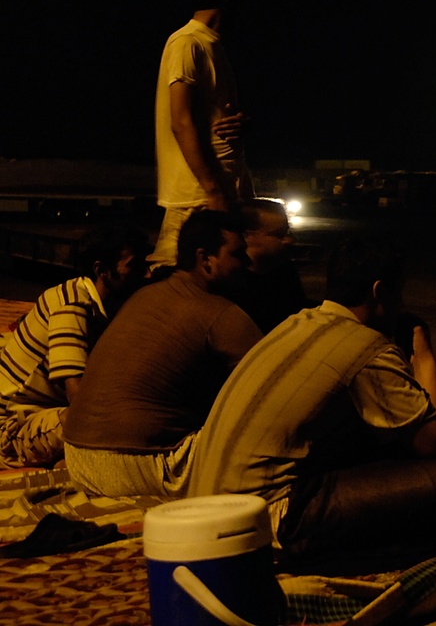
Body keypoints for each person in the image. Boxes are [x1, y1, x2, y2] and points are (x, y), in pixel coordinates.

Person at [189, 236, 436, 565]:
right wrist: (424, 353)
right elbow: (434, 446)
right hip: (263, 520)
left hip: (207, 505)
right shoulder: (366, 346)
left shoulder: (296, 323)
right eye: (398, 292)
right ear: (379, 292)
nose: (401, 305)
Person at [62, 210, 262, 498]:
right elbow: (275, 388)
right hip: (140, 465)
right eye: (237, 255)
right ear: (205, 259)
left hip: (78, 459)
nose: (247, 263)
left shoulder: (145, 295)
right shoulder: (219, 313)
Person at [0, 224, 151, 468]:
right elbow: (78, 396)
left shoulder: (99, 305)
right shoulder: (71, 306)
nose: (146, 275)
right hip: (11, 426)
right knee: (101, 421)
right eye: (134, 265)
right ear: (101, 270)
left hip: (42, 412)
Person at [147, 0, 254, 275]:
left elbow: (207, 115)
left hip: (219, 189)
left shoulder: (210, 44)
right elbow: (180, 121)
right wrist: (213, 190)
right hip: (198, 198)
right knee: (177, 280)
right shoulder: (186, 42)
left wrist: (242, 122)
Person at [231, 197, 310, 333]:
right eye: (279, 234)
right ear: (248, 236)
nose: (288, 240)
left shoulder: (284, 270)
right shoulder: (232, 282)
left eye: (288, 232)